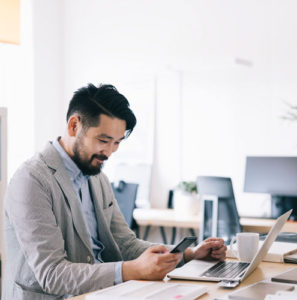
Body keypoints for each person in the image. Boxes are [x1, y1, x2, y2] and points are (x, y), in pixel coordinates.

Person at [2, 83, 227, 300]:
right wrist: (131, 270)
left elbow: (125, 244)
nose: (109, 152)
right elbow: (52, 274)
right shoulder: (32, 180)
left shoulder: (97, 177)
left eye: (117, 142)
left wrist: (188, 254)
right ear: (74, 126)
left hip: (102, 293)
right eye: (103, 140)